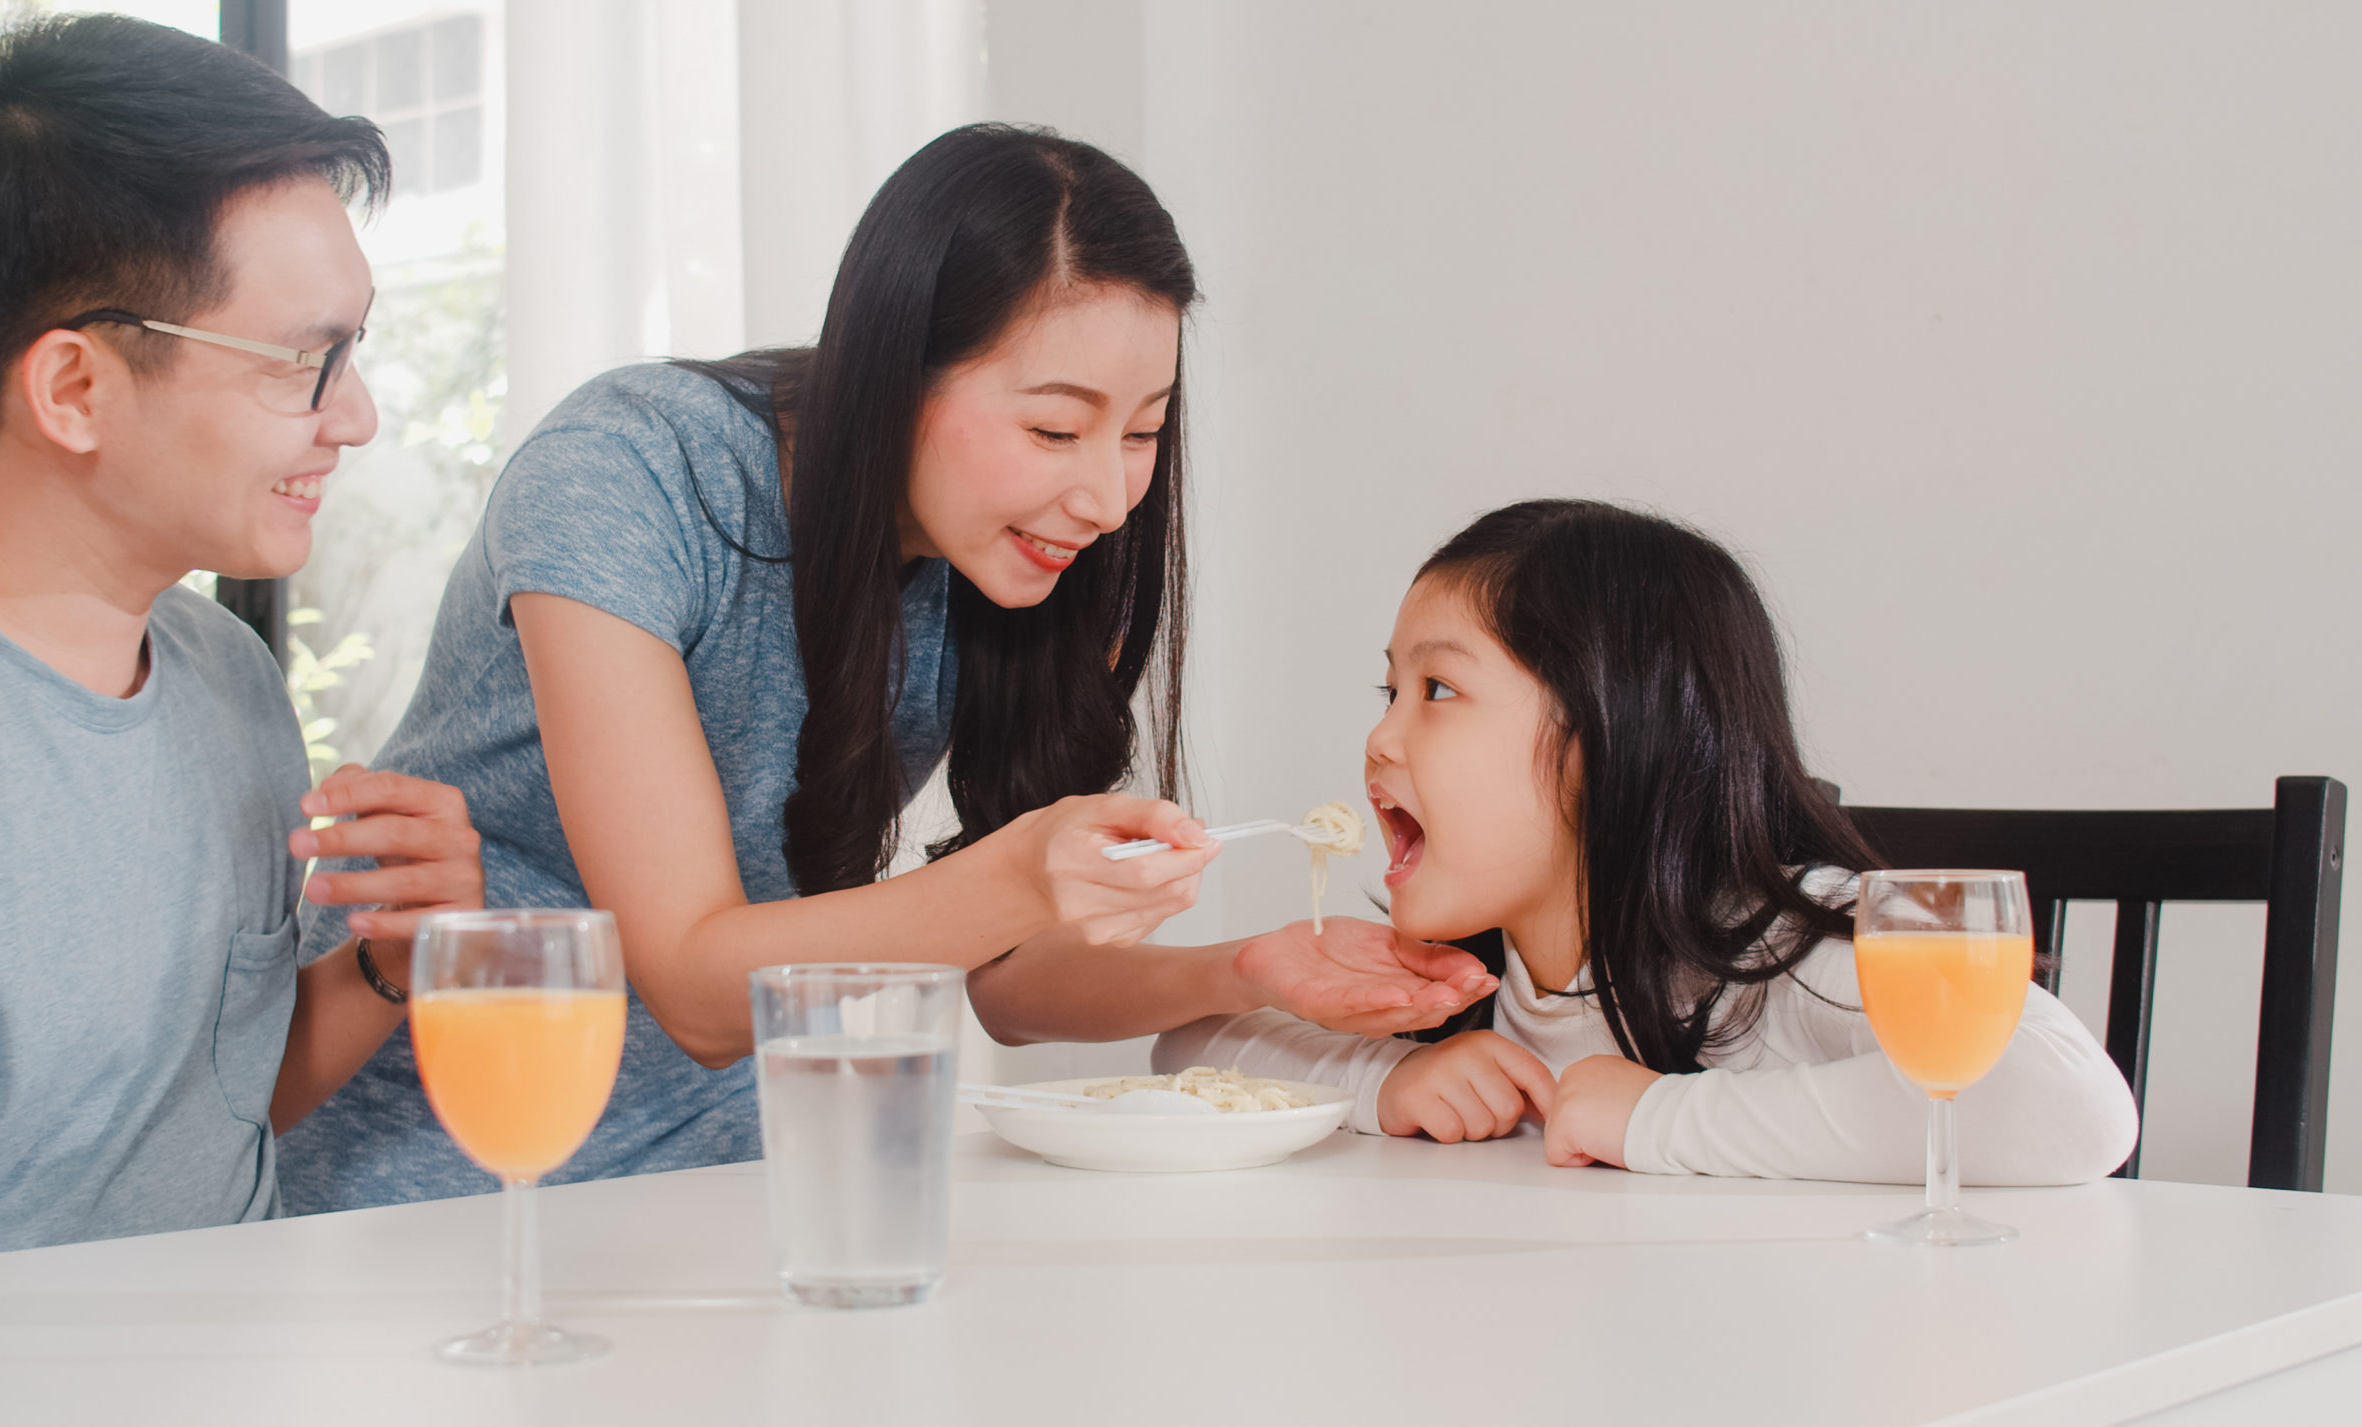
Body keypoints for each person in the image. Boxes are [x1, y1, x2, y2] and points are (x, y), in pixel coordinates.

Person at [279, 124, 1497, 1211]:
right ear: (892, 371)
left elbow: (1006, 984)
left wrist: (1243, 973)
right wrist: (1020, 878)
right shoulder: (629, 473)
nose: (1108, 495)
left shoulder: (1004, 563)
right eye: (1054, 429)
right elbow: (698, 988)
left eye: (1142, 431)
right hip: (441, 1186)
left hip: (736, 1185)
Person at [0, 16, 485, 1273]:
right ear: (72, 389)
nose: (358, 416)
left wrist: (388, 963)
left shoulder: (225, 673)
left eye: (355, 351)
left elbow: (210, 1108)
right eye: (301, 360)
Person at [1155, 500, 2140, 1184]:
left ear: (1607, 740)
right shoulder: (1453, 978)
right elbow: (1191, 1047)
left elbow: (2065, 1109)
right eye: (1390, 693)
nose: (1380, 737)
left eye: (1438, 692)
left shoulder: (1776, 948)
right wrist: (1389, 1082)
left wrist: (1650, 1118)